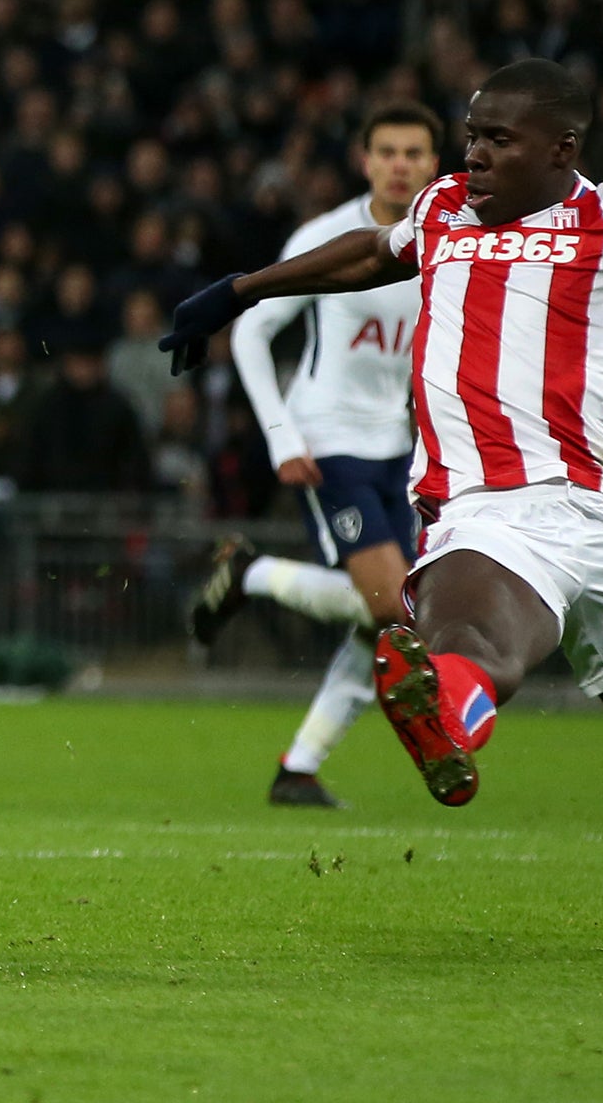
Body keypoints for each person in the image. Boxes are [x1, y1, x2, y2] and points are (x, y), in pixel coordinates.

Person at [161, 38, 603, 951]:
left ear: (562, 149)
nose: (473, 157)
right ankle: (445, 713)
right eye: (470, 137)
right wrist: (241, 290)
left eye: (497, 140)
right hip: (491, 506)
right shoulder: (446, 212)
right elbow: (369, 254)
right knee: (470, 644)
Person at [192, 102, 441, 808]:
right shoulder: (329, 235)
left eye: (414, 153)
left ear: (434, 163)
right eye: (387, 151)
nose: (400, 164)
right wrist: (281, 436)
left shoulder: (447, 237)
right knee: (394, 605)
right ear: (365, 162)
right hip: (328, 441)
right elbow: (251, 331)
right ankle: (253, 574)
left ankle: (298, 768)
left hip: (398, 449)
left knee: (397, 620)